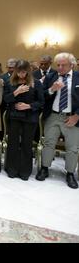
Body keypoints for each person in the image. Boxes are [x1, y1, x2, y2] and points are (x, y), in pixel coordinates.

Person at [36, 52, 79, 189]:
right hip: (53, 116)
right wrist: (51, 89)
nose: (59, 68)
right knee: (49, 143)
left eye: (63, 65)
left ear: (72, 65)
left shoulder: (78, 78)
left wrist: (77, 115)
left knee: (72, 148)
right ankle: (44, 168)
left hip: (71, 117)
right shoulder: (50, 77)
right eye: (58, 65)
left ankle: (70, 173)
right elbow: (41, 96)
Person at [3, 60, 44, 180]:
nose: (21, 74)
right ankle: (11, 169)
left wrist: (28, 106)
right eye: (19, 72)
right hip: (14, 117)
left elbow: (41, 102)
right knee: (13, 144)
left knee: (27, 144)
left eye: (24, 72)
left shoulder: (36, 83)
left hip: (30, 118)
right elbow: (6, 99)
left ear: (28, 71)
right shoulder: (9, 82)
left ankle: (25, 171)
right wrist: (16, 92)